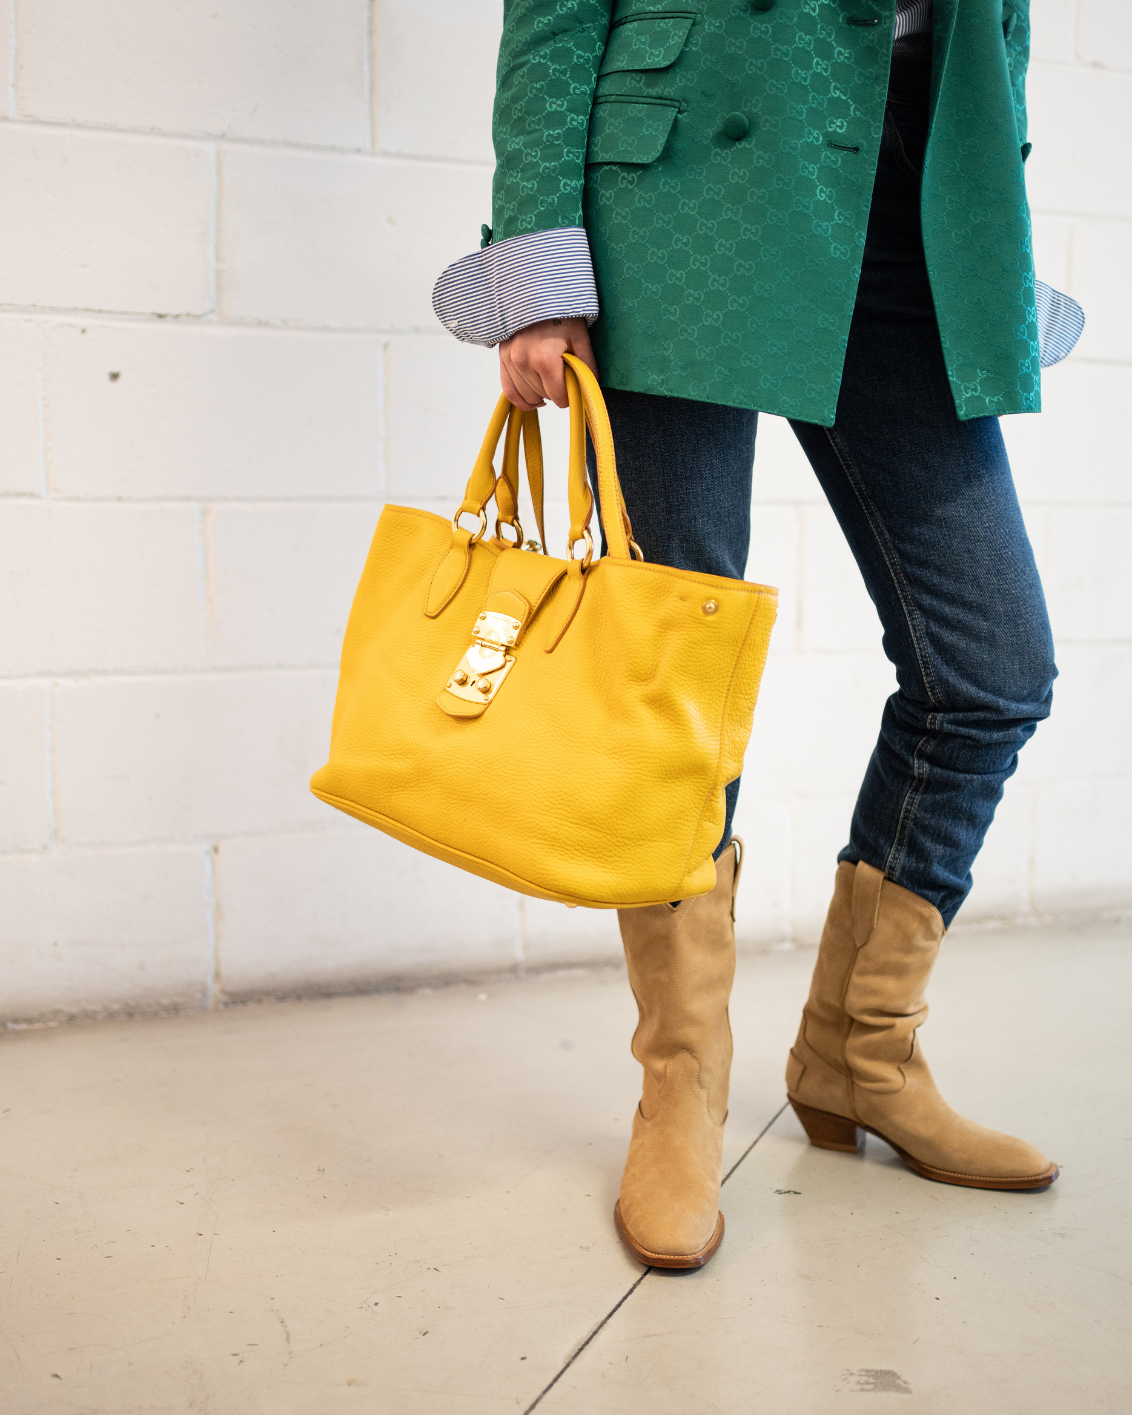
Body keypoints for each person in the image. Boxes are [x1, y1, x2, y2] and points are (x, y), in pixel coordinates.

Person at [433, 0, 1081, 1269]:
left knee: (992, 670)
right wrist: (539, 268)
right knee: (679, 668)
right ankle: (679, 1085)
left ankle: (859, 1055)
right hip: (688, 208)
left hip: (914, 207)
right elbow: (559, 19)